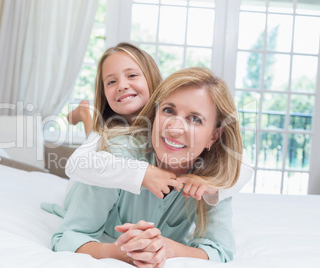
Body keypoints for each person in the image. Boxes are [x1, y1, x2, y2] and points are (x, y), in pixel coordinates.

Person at [51, 67, 242, 266]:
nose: (175, 129)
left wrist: (170, 248)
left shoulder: (211, 180)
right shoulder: (113, 158)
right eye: (169, 110)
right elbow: (66, 238)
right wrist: (122, 252)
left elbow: (220, 250)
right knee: (97, 137)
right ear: (155, 114)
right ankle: (86, 114)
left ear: (213, 136)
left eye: (195, 119)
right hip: (84, 176)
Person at [63, 42, 250, 203]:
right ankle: (85, 114)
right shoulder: (111, 134)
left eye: (132, 75)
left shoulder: (168, 119)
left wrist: (214, 186)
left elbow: (244, 167)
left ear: (153, 80)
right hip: (83, 182)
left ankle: (84, 113)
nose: (122, 85)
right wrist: (141, 174)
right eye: (111, 82)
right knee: (96, 136)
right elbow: (76, 164)